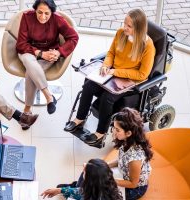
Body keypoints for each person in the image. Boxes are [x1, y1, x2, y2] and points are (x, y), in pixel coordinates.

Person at [64, 8, 155, 147]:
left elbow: (142, 75)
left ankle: (100, 134)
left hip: (130, 81)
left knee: (107, 97)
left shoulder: (148, 47)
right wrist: (106, 66)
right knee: (88, 85)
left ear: (139, 28)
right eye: (125, 23)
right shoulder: (121, 33)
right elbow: (111, 53)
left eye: (129, 26)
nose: (124, 27)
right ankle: (80, 118)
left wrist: (115, 72)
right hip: (111, 73)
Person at [16, 0, 78, 115]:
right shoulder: (26, 17)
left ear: (52, 13)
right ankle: (48, 96)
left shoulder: (58, 19)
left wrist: (59, 52)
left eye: (46, 13)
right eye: (39, 12)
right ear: (35, 10)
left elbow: (74, 37)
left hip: (49, 54)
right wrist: (39, 53)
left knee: (30, 73)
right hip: (28, 51)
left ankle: (27, 110)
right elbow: (21, 44)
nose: (42, 17)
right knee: (28, 60)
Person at [107, 107, 153, 200]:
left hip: (136, 189)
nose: (113, 131)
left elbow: (133, 184)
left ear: (128, 133)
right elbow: (122, 160)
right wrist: (106, 165)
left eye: (117, 129)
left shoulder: (135, 158)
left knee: (103, 193)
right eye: (114, 127)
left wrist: (110, 182)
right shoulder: (126, 141)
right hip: (123, 174)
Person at [41, 158, 123, 200]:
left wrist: (62, 190)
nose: (83, 165)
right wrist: (60, 190)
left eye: (85, 172)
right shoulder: (108, 187)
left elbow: (83, 193)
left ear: (91, 182)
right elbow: (83, 191)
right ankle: (73, 185)